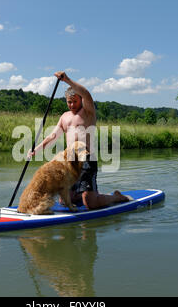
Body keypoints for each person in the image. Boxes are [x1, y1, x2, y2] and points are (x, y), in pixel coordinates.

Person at [27, 71, 129, 209]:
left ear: (80, 100)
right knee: (64, 201)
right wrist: (35, 150)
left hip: (87, 160)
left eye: (75, 101)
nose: (72, 105)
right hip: (69, 161)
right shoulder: (64, 117)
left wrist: (67, 80)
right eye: (69, 102)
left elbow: (86, 93)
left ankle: (116, 196)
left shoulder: (88, 113)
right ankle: (83, 193)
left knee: (90, 203)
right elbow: (52, 136)